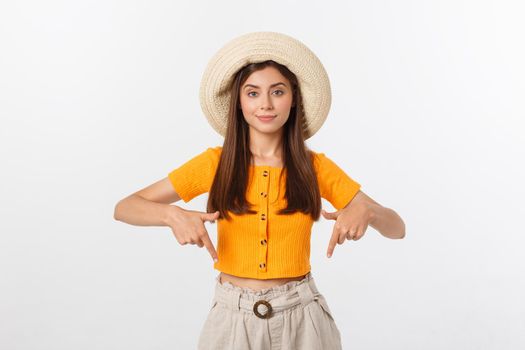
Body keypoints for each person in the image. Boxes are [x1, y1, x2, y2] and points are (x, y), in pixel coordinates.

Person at [114, 31, 405, 350]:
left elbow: (397, 229)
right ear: (238, 101)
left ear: (293, 98)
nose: (265, 104)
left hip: (303, 321)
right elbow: (125, 207)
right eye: (253, 93)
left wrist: (369, 211)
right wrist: (171, 215)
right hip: (231, 320)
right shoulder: (215, 164)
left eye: (277, 92)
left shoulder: (314, 167)